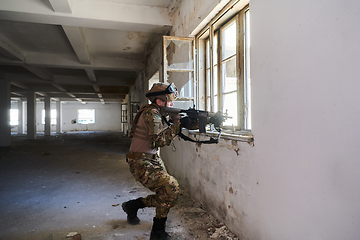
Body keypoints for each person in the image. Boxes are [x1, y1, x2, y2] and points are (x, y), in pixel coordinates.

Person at [122, 82, 181, 240]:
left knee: (167, 193)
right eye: (169, 100)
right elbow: (159, 141)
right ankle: (158, 232)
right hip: (141, 162)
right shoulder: (152, 114)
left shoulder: (157, 112)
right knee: (171, 188)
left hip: (151, 160)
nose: (172, 103)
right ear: (160, 101)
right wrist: (176, 125)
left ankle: (132, 206)